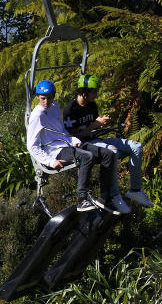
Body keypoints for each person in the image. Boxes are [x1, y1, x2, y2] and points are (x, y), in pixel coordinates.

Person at [27, 80, 121, 214]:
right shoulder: (37, 115)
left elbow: (62, 131)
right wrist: (50, 161)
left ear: (53, 96)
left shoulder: (54, 106)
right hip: (56, 151)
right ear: (37, 97)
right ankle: (81, 200)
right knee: (87, 156)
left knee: (108, 154)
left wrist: (73, 139)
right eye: (43, 98)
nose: (46, 102)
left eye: (49, 98)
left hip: (66, 144)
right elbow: (31, 145)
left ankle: (104, 198)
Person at [63, 74, 153, 211]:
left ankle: (135, 190)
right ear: (84, 92)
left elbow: (93, 125)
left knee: (136, 147)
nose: (96, 95)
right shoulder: (71, 110)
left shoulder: (92, 105)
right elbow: (72, 136)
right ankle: (114, 196)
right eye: (94, 92)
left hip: (97, 139)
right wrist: (94, 125)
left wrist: (101, 123)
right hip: (85, 145)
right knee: (113, 152)